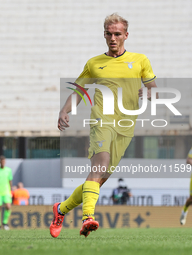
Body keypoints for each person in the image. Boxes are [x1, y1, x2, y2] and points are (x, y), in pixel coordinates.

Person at [50, 13, 157, 238]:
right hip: (101, 121)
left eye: (117, 34)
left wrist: (148, 93)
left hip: (126, 126)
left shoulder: (140, 60)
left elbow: (153, 88)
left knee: (98, 180)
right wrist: (64, 110)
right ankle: (88, 217)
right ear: (104, 35)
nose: (113, 38)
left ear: (126, 35)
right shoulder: (94, 63)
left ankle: (61, 209)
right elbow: (79, 90)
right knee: (99, 167)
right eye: (109, 34)